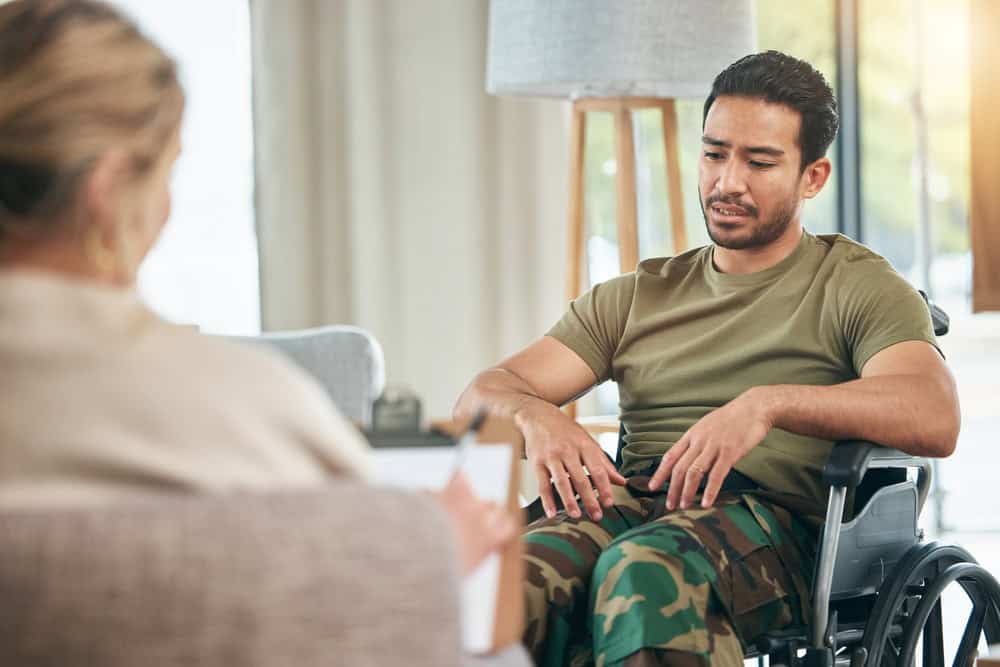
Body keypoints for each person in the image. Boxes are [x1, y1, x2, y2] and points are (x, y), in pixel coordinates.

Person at [0, 2, 527, 663]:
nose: (165, 207)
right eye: (166, 171)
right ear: (107, 191)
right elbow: (354, 592)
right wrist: (428, 547)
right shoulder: (244, 406)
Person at [455, 50, 960, 667]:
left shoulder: (856, 284)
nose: (727, 182)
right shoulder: (639, 294)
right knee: (500, 581)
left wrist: (769, 404)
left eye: (759, 161)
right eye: (715, 153)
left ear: (814, 177)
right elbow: (481, 395)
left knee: (643, 572)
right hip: (632, 506)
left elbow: (934, 414)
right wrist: (538, 416)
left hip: (775, 530)